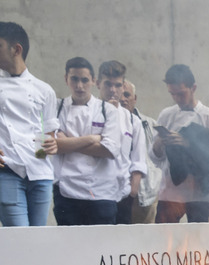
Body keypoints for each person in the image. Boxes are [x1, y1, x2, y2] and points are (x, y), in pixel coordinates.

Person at [0, 21, 58, 226]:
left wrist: (51, 144)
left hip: (40, 173)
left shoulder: (44, 90)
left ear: (16, 49)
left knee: (38, 240)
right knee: (19, 238)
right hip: (7, 170)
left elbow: (47, 135)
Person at [53, 57, 121, 226]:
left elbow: (109, 150)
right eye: (74, 79)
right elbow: (53, 146)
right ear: (66, 79)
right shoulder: (57, 108)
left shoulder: (108, 110)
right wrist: (91, 139)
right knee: (70, 247)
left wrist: (67, 143)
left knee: (102, 249)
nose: (79, 86)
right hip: (67, 192)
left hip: (101, 193)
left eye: (84, 80)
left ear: (93, 81)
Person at [151, 64, 209, 223]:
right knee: (163, 241)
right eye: (172, 94)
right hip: (170, 191)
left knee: (198, 243)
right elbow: (155, 157)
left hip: (199, 193)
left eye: (181, 94)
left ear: (193, 88)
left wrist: (188, 143)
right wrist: (161, 142)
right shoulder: (167, 115)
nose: (177, 99)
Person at [97, 60, 147, 225]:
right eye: (108, 84)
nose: (113, 90)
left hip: (122, 195)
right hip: (94, 192)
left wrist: (132, 190)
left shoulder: (132, 121)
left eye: (118, 85)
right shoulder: (91, 112)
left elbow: (138, 159)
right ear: (98, 84)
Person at [120, 80, 162, 223]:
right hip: (118, 192)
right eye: (120, 95)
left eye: (127, 95)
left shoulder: (151, 124)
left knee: (145, 241)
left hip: (146, 194)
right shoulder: (108, 122)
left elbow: (160, 158)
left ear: (135, 98)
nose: (123, 99)